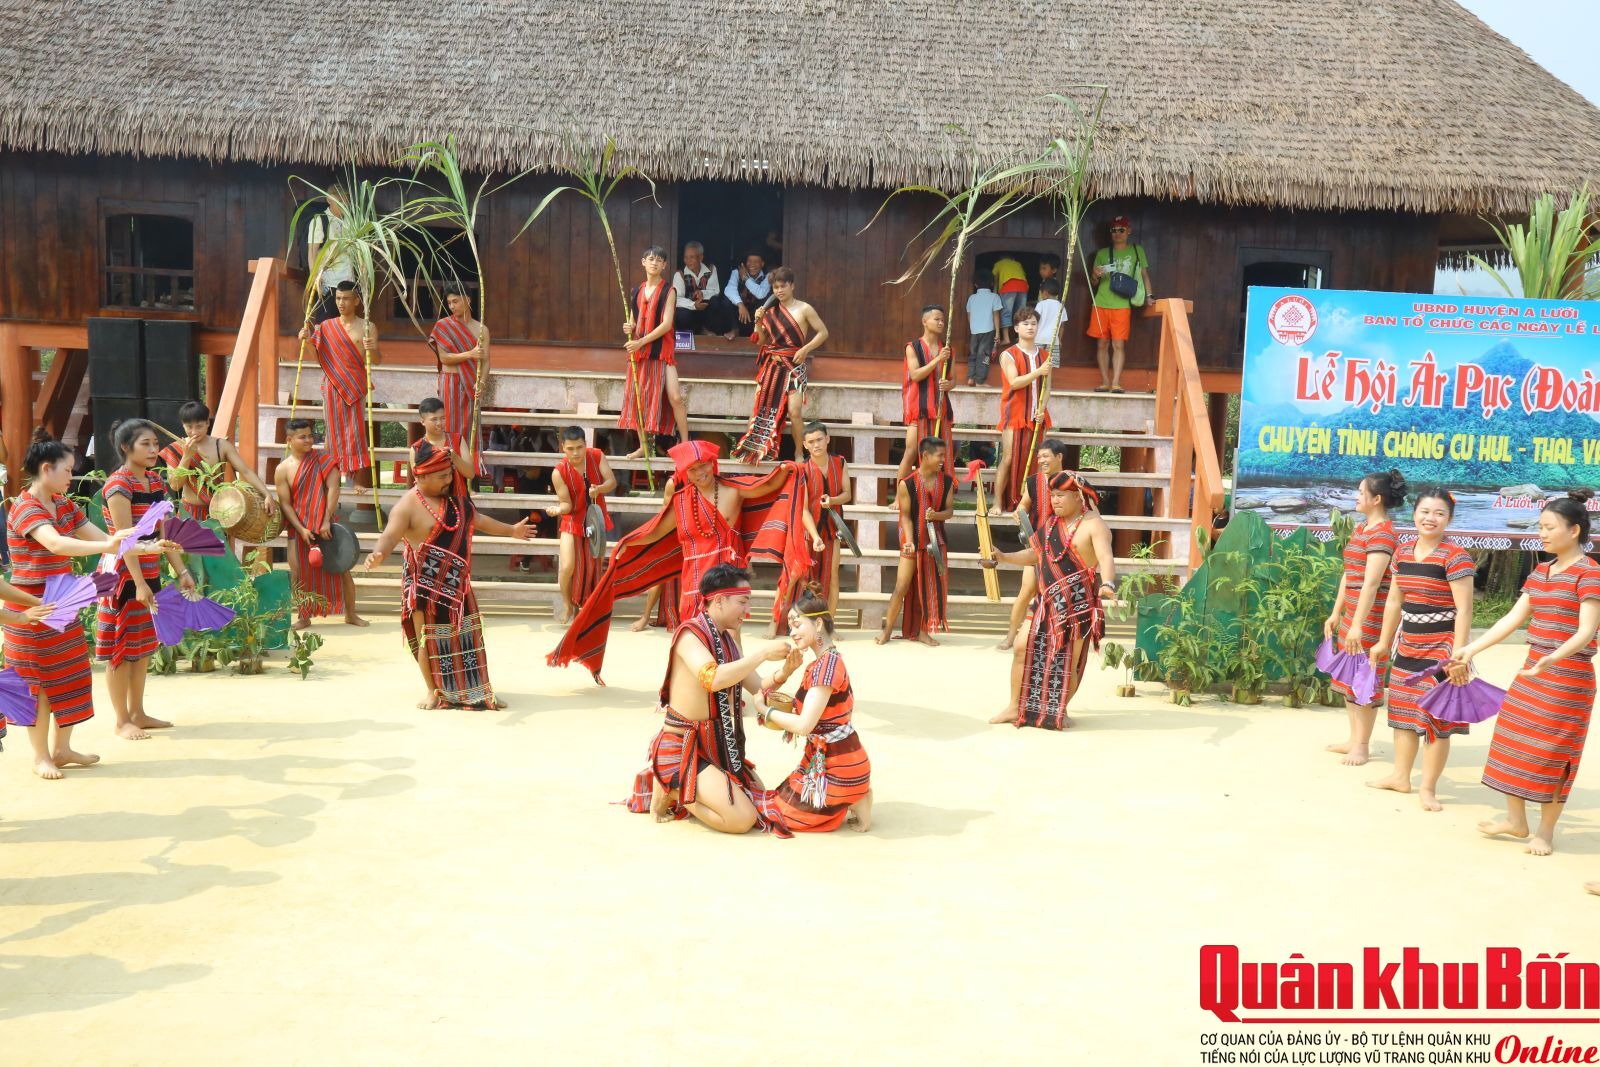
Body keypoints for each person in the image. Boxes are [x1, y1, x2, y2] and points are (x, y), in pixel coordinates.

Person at [548, 440, 810, 682]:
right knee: (691, 635)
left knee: (731, 635)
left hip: (728, 577)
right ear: (685, 473)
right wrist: (628, 543)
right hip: (694, 579)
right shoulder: (682, 502)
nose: (700, 472)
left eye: (703, 465)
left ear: (712, 463)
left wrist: (788, 469)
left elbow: (769, 486)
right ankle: (679, 690)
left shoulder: (734, 489)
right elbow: (656, 531)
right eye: (692, 469)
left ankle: (734, 690)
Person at [1448, 490, 1600, 857]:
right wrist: (1471, 648)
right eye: (1540, 527)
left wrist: (1553, 658)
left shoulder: (1590, 573)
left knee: (1554, 753)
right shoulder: (1541, 571)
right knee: (1512, 741)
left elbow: (1586, 631)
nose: (1542, 534)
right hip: (1532, 672)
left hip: (1568, 679)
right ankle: (1516, 820)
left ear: (1574, 530)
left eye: (1550, 527)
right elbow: (1513, 618)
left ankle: (1545, 832)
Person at [4, 430, 145, 778]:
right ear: (47, 469)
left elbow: (105, 540)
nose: (71, 476)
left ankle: (62, 749)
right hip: (32, 608)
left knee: (69, 675)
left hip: (62, 603)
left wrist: (149, 545)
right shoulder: (25, 507)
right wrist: (109, 545)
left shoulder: (64, 504)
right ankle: (41, 756)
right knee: (37, 684)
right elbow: (56, 544)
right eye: (67, 470)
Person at [622, 563, 792, 835]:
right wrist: (761, 654)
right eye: (742, 602)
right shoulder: (690, 634)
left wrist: (786, 670)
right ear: (719, 600)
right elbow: (712, 678)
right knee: (742, 820)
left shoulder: (727, 640)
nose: (747, 610)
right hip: (682, 748)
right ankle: (673, 790)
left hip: (715, 744)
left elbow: (758, 686)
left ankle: (686, 788)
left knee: (758, 795)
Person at [361, 441, 533, 710]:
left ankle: (479, 690)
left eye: (449, 474)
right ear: (421, 476)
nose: (448, 480)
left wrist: (511, 530)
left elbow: (479, 520)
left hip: (456, 583)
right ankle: (433, 691)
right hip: (423, 587)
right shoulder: (405, 507)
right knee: (427, 640)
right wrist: (378, 554)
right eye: (441, 476)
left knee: (469, 638)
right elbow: (390, 536)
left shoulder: (455, 500)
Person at [1366, 487, 1475, 812]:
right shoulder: (1402, 552)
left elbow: (1464, 610)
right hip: (1408, 645)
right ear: (1414, 514)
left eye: (1439, 513)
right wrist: (1383, 642)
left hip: (1442, 648)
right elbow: (1394, 601)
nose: (1431, 518)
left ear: (1449, 519)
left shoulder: (1455, 557)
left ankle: (1428, 788)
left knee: (1434, 719)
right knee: (1402, 711)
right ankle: (1401, 776)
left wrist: (1458, 656)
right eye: (1425, 512)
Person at [983, 471, 1115, 728]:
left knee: (1067, 661)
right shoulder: (1052, 524)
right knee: (1021, 647)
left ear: (1077, 497)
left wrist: (1108, 583)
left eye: (1060, 495)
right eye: (1052, 495)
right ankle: (1014, 707)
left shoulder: (1094, 524)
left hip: (1077, 603)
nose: (1054, 500)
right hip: (1046, 600)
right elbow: (1035, 554)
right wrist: (1003, 557)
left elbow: (1106, 557)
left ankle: (1059, 710)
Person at [98, 420, 194, 741]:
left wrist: (181, 571)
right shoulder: (118, 484)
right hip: (121, 574)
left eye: (155, 444)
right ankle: (121, 720)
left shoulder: (154, 480)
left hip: (149, 569)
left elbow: (164, 533)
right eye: (146, 444)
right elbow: (125, 540)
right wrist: (138, 582)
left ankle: (137, 713)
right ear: (126, 447)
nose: (154, 450)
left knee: (142, 646)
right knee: (120, 648)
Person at [758, 590, 872, 832]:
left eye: (797, 624)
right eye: (790, 626)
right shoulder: (823, 662)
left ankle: (854, 796)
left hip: (837, 766)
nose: (792, 632)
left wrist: (764, 711)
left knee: (775, 815)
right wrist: (784, 674)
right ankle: (854, 795)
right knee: (773, 801)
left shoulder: (826, 668)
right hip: (826, 760)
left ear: (818, 624)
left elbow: (804, 725)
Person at [1322, 469, 1405, 766]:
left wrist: (1358, 624)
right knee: (1349, 677)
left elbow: (1371, 584)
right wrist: (1337, 612)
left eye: (1361, 492)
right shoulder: (1362, 529)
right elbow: (1350, 574)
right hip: (1353, 614)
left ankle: (1362, 745)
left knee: (1365, 679)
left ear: (1376, 499)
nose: (1356, 497)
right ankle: (1352, 738)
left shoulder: (1384, 535)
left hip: (1370, 619)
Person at [275, 418, 366, 630]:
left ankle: (351, 614)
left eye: (310, 436)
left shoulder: (323, 459)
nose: (309, 440)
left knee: (342, 569)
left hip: (325, 523)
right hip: (298, 527)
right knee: (298, 572)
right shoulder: (282, 469)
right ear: (289, 440)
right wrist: (301, 529)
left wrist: (325, 520)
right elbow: (285, 503)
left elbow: (334, 488)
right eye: (303, 437)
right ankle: (304, 616)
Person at [733, 266, 829, 462]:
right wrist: (758, 322)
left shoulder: (804, 309)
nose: (779, 291)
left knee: (795, 411)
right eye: (775, 287)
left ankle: (799, 452)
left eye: (783, 286)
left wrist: (805, 349)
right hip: (772, 366)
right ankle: (753, 451)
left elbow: (823, 332)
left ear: (792, 286)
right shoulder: (769, 311)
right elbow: (760, 341)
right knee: (759, 408)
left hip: (794, 366)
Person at [877, 436, 955, 646]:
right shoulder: (907, 483)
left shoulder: (947, 482)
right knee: (901, 587)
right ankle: (887, 631)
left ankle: (923, 632)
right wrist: (910, 541)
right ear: (925, 456)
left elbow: (949, 511)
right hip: (911, 540)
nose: (943, 460)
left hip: (935, 543)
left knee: (928, 589)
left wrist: (936, 515)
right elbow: (905, 517)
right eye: (940, 455)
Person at [298, 279, 379, 477]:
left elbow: (375, 361)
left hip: (355, 384)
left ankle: (354, 475)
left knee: (355, 430)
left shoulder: (367, 327)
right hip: (332, 382)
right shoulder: (326, 326)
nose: (341, 303)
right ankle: (332, 473)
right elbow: (318, 359)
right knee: (332, 430)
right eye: (338, 298)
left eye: (346, 299)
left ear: (357, 301)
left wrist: (372, 349)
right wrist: (306, 342)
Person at [999, 438, 1069, 652]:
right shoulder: (1033, 482)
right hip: (1037, 546)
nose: (1041, 461)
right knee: (1027, 590)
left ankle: (1058, 640)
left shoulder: (1071, 481)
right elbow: (1023, 505)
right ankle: (1010, 636)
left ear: (1059, 457)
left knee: (1061, 594)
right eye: (1039, 457)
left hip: (1063, 547)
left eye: (1046, 456)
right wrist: (1018, 513)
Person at [620, 245, 691, 456]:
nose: (654, 263)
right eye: (651, 259)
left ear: (664, 265)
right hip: (641, 352)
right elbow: (633, 323)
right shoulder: (636, 291)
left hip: (661, 351)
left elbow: (667, 324)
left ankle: (685, 443)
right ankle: (644, 446)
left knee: (675, 397)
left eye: (659, 260)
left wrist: (641, 341)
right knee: (639, 398)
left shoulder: (669, 291)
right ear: (643, 262)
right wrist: (628, 328)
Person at [161, 400, 276, 524]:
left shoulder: (221, 446)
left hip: (217, 512)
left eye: (199, 426)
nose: (194, 432)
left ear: (207, 423)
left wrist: (266, 494)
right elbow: (175, 485)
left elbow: (245, 471)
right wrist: (187, 456)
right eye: (189, 427)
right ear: (183, 425)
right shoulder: (176, 448)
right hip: (188, 512)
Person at [546, 425, 617, 624]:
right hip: (572, 519)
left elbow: (612, 481)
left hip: (596, 518)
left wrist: (600, 489)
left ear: (585, 444)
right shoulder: (558, 472)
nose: (575, 453)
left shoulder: (597, 456)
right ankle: (568, 604)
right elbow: (567, 504)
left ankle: (591, 606)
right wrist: (558, 510)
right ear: (563, 447)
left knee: (595, 566)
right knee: (567, 566)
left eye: (579, 447)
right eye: (570, 448)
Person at [993, 306, 1052, 514]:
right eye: (1025, 323)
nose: (1030, 327)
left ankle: (1032, 504)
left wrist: (1042, 408)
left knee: (1038, 460)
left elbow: (1047, 387)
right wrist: (1039, 371)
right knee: (1009, 458)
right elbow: (1014, 382)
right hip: (1014, 413)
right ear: (1016, 328)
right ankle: (997, 502)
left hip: (1038, 414)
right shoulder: (1008, 354)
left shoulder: (1045, 355)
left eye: (1033, 323)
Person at [1088, 215, 1152, 394]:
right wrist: (1095, 275)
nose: (1117, 233)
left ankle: (1116, 383)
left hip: (1123, 304)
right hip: (1101, 303)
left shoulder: (1137, 250)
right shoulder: (1102, 253)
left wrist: (1149, 296)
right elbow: (1094, 282)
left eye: (1121, 229)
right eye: (1114, 230)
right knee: (1102, 344)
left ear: (1128, 231)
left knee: (1118, 345)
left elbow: (1144, 275)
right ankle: (1105, 382)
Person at [427, 286, 486, 472]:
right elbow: (444, 358)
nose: (452, 306)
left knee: (470, 427)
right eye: (449, 302)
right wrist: (470, 354)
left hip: (471, 384)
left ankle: (469, 473)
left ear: (468, 300)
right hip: (450, 382)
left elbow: (486, 361)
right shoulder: (443, 326)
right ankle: (446, 468)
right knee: (448, 425)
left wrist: (482, 382)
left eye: (456, 301)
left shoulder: (481, 330)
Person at [795, 421, 850, 617]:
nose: (816, 445)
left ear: (827, 439)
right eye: (811, 442)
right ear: (805, 445)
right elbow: (803, 510)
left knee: (833, 576)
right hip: (809, 529)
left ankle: (829, 623)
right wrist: (815, 536)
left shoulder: (840, 462)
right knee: (806, 577)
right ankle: (806, 621)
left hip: (833, 528)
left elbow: (847, 494)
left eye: (819, 439)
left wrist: (832, 500)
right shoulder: (802, 469)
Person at [897, 305, 955, 481]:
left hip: (940, 409)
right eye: (937, 319)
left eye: (942, 320)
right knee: (911, 451)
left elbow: (953, 380)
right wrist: (938, 359)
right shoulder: (912, 347)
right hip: (918, 408)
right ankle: (901, 493)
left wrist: (948, 385)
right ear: (924, 321)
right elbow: (915, 375)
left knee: (941, 454)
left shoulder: (948, 349)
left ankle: (937, 492)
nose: (941, 323)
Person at [305, 187, 354, 322]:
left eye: (345, 201)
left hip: (348, 281)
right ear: (329, 200)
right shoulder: (320, 220)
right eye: (339, 200)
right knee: (325, 322)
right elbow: (312, 252)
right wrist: (315, 277)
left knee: (345, 324)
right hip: (328, 282)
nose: (343, 204)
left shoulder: (350, 221)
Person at [412, 397, 476, 495]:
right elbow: (419, 482)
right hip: (431, 500)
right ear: (423, 422)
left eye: (443, 418)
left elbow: (470, 474)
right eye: (434, 419)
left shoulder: (458, 439)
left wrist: (454, 458)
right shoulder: (417, 448)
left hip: (458, 498)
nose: (439, 423)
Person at [672, 241, 732, 336]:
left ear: (700, 258)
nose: (688, 261)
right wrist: (694, 305)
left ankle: (708, 330)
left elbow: (715, 291)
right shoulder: (680, 274)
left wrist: (703, 293)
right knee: (682, 314)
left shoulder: (711, 269)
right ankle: (695, 332)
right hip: (689, 312)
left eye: (691, 257)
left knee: (715, 302)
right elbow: (677, 299)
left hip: (705, 310)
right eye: (686, 257)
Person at [964, 273, 1004, 386]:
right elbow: (996, 315)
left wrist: (973, 327)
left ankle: (971, 377)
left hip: (974, 330)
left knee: (973, 353)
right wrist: (997, 332)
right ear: (992, 284)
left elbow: (969, 314)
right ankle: (980, 381)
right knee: (984, 355)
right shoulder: (994, 297)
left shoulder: (972, 298)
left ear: (975, 284)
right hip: (988, 330)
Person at [722, 252, 771, 340]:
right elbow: (729, 290)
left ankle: (759, 332)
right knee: (726, 299)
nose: (752, 264)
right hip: (740, 315)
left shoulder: (767, 276)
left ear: (762, 264)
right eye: (749, 261)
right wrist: (740, 305)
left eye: (756, 261)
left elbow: (761, 294)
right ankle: (734, 329)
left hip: (755, 317)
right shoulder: (737, 272)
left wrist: (746, 278)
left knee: (766, 299)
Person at [990, 254, 1029, 345]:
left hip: (1008, 286)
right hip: (1023, 287)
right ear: (1012, 258)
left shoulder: (998, 264)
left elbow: (995, 279)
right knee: (1021, 313)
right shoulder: (1017, 264)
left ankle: (1006, 339)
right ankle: (1020, 337)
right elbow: (1023, 276)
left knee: (1006, 312)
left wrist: (994, 294)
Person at [1034, 278, 1066, 367]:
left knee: (1036, 363)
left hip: (1038, 338)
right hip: (1053, 340)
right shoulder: (1061, 306)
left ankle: (1037, 377)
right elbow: (1062, 326)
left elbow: (1035, 321)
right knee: (1049, 366)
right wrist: (1060, 340)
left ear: (1045, 293)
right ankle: (1048, 377)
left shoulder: (1040, 304)